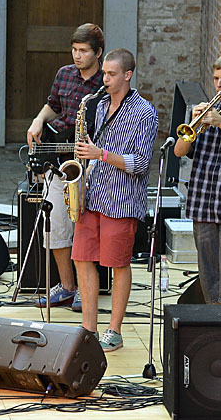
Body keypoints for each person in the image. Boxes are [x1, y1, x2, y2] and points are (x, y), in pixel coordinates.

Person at [71, 48, 157, 352]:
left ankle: (114, 331)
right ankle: (88, 328)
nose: (104, 79)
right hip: (93, 194)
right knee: (82, 257)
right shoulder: (99, 105)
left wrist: (102, 154)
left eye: (111, 74)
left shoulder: (144, 112)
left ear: (127, 75)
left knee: (118, 264)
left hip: (122, 201)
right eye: (104, 73)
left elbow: (141, 163)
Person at [26, 23, 105, 311]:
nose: (77, 55)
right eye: (74, 50)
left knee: (85, 228)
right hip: (60, 159)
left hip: (89, 163)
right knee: (56, 225)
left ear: (98, 53)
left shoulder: (106, 82)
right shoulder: (64, 74)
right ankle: (67, 286)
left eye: (83, 51)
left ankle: (86, 288)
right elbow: (53, 106)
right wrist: (38, 121)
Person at [173, 53, 221, 304]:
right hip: (202, 205)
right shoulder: (206, 113)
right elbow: (179, 151)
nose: (219, 85)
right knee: (209, 283)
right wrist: (193, 122)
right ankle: (212, 325)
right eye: (216, 79)